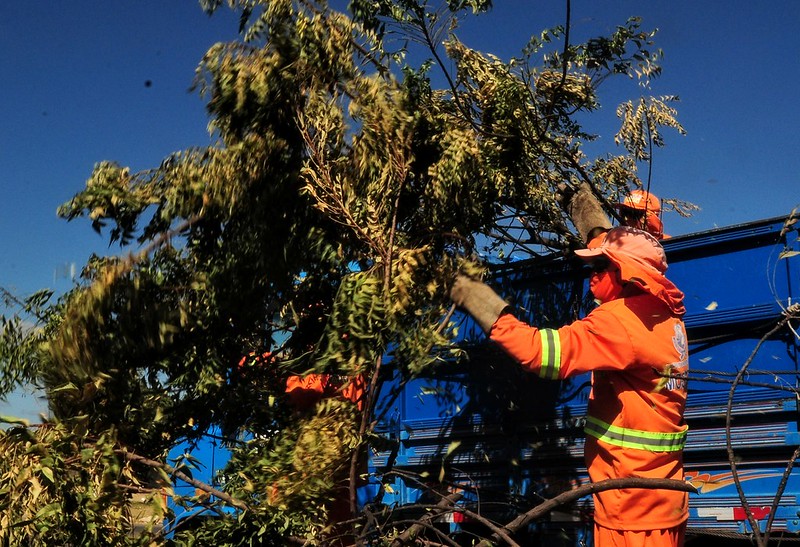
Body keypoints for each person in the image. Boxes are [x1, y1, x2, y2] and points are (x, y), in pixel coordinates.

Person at [450, 226, 689, 547]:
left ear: (625, 272)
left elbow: (539, 353)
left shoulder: (619, 322)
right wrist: (596, 228)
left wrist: (478, 299)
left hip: (631, 510)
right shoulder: (665, 318)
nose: (591, 274)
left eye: (600, 266)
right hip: (663, 498)